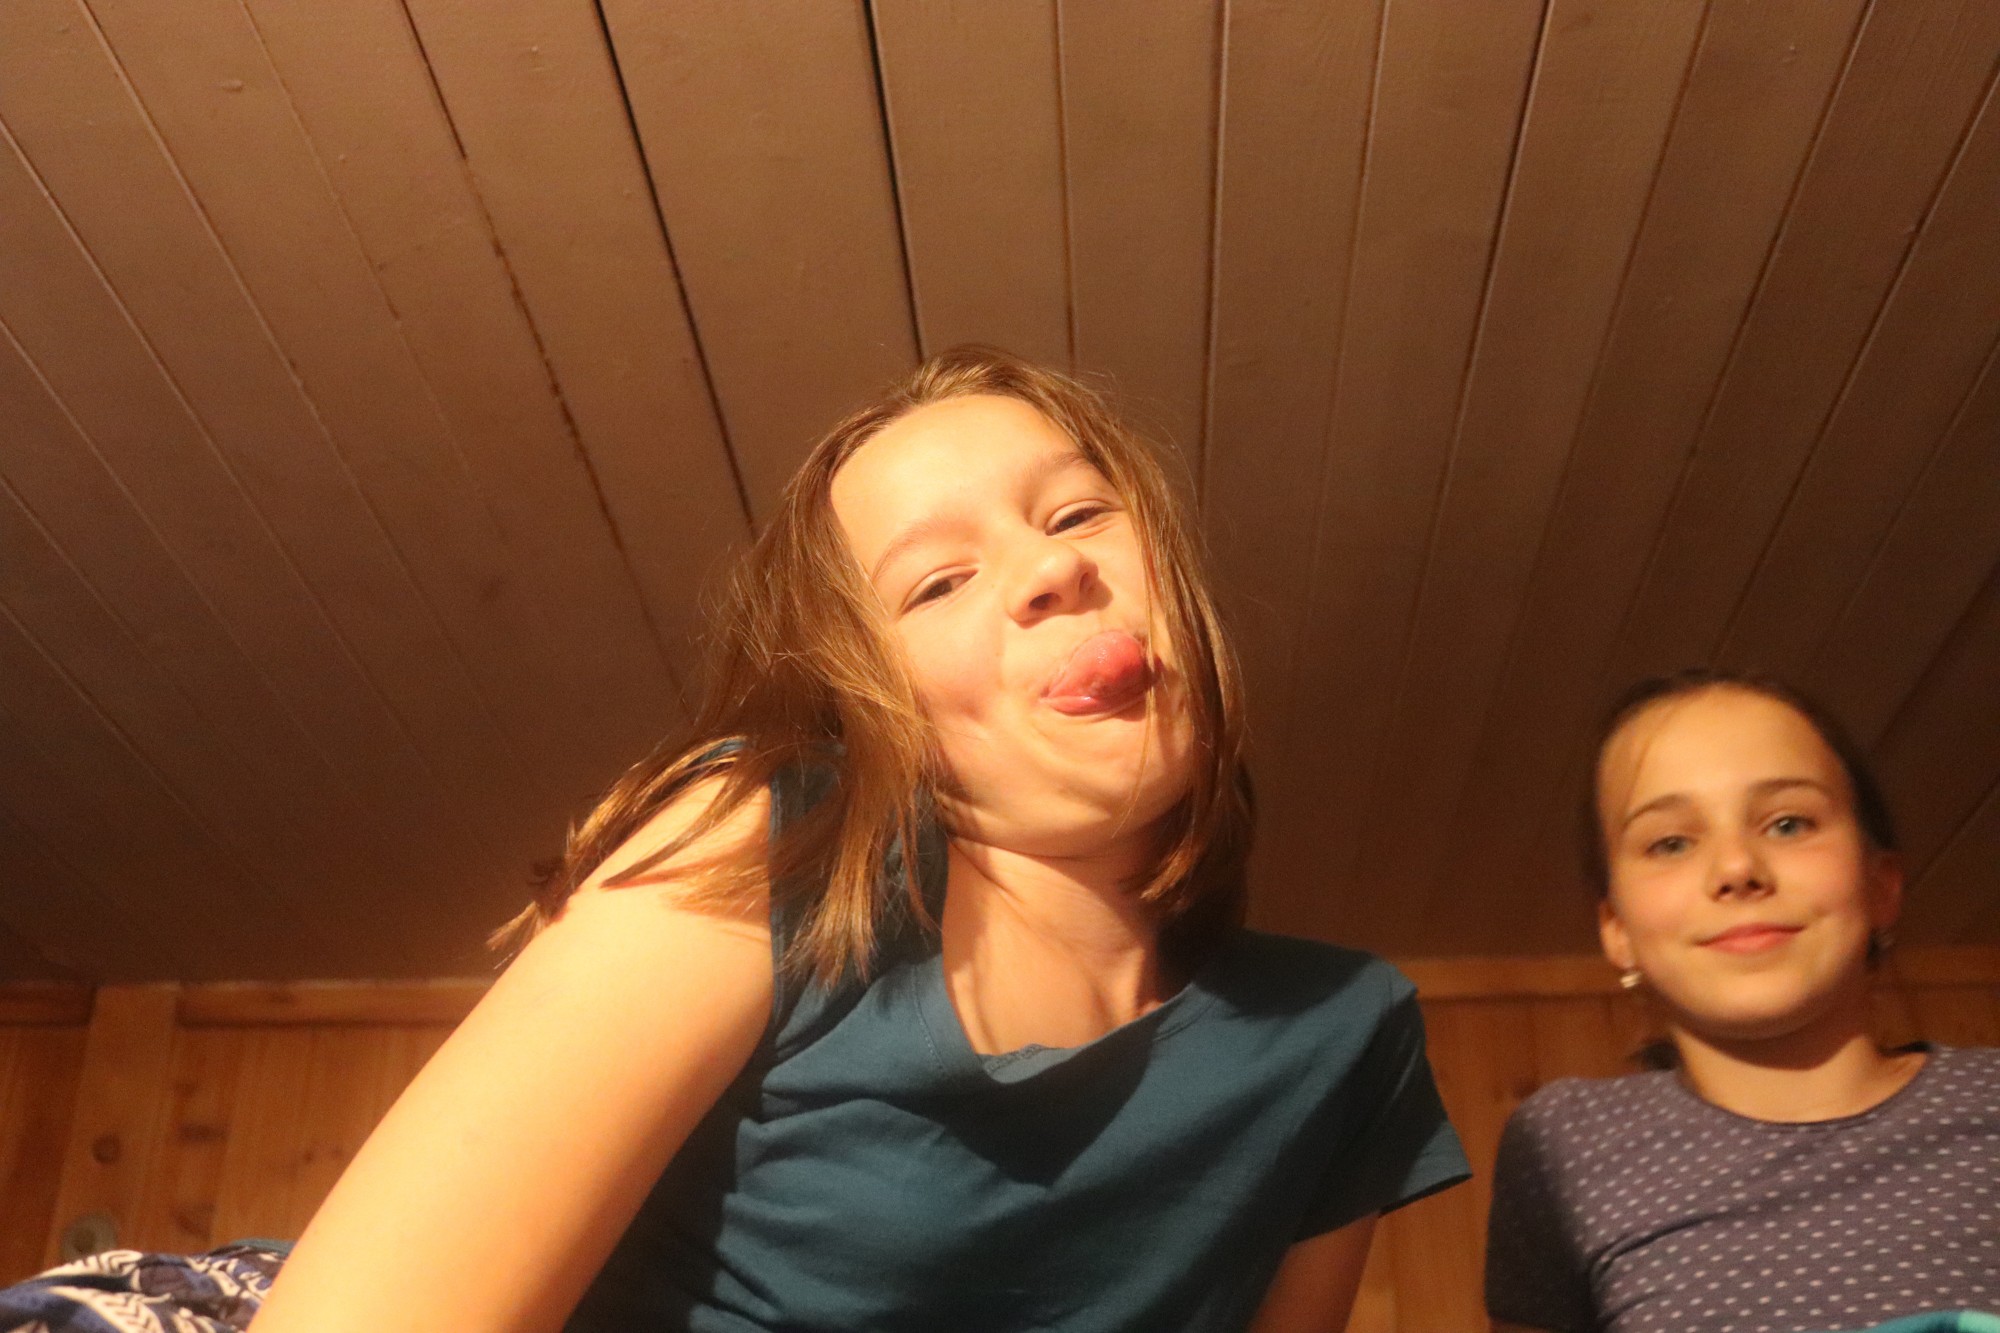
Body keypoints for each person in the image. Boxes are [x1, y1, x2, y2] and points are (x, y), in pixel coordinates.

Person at [246, 348, 1470, 1333]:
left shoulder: (1345, 1032)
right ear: (868, 705)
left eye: (1079, 512)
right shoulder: (773, 845)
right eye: (936, 581)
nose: (1052, 566)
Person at [1484, 669, 2000, 1333]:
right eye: (1671, 842)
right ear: (1617, 929)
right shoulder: (1564, 1144)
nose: (1736, 869)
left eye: (1788, 823)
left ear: (1881, 884)